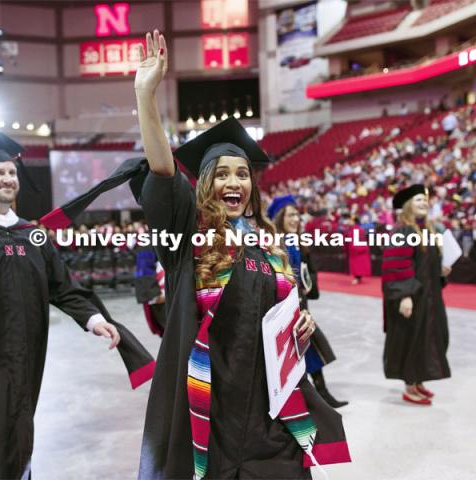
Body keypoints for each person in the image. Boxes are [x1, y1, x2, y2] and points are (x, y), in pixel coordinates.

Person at [134, 30, 350, 479]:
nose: (234, 183)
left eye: (243, 175)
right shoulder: (189, 239)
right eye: (222, 174)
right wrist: (145, 94)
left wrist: (301, 325)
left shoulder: (268, 246)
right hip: (209, 408)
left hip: (270, 408)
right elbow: (162, 171)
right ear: (206, 184)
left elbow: (280, 313)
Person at [0, 133, 156, 479]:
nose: (7, 179)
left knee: (18, 430)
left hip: (25, 358)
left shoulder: (31, 237)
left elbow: (63, 287)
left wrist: (94, 319)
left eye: (11, 172)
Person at [268, 195, 348, 409]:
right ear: (280, 217)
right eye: (290, 214)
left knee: (309, 349)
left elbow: (306, 271)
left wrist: (309, 283)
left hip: (301, 306)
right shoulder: (276, 243)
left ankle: (320, 394)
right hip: (285, 308)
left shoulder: (297, 242)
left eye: (297, 215)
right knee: (300, 353)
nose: (296, 219)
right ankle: (312, 396)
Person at [382, 184, 451, 406]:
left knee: (430, 337)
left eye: (425, 200)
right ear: (408, 206)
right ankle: (410, 387)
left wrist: (441, 270)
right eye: (418, 200)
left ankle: (418, 380)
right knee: (411, 340)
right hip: (412, 298)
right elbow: (397, 265)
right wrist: (404, 296)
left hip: (429, 298)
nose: (423, 203)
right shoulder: (403, 231)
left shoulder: (427, 231)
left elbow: (424, 265)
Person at [345, 215, 372, 285]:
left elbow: (361, 240)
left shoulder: (358, 229)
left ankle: (357, 277)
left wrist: (356, 248)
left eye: (350, 220)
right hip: (352, 251)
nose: (349, 221)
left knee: (358, 265)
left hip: (357, 250)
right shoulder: (350, 229)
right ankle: (357, 277)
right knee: (355, 265)